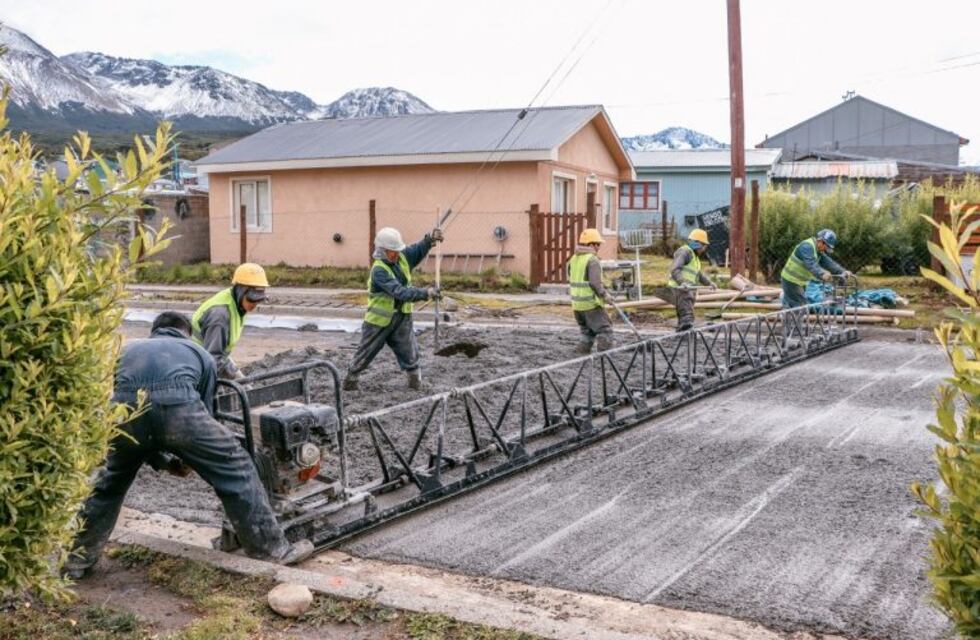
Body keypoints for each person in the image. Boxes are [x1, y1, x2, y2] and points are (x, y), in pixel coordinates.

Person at [64, 312, 312, 579]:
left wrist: (164, 462)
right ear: (186, 332)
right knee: (236, 467)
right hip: (180, 414)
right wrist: (192, 457)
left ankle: (77, 561)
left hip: (125, 417)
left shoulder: (128, 350)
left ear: (155, 331)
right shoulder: (198, 352)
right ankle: (271, 551)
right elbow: (204, 413)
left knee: (109, 484)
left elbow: (139, 414)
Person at [343, 226, 443, 391]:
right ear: (382, 251)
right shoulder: (379, 271)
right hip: (378, 322)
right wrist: (426, 293)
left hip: (401, 317)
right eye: (392, 252)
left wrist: (430, 240)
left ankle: (415, 382)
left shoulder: (401, 257)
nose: (396, 254)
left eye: (397, 251)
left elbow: (417, 250)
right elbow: (400, 292)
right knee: (366, 352)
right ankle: (351, 380)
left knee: (409, 351)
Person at [192, 263, 269, 380]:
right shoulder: (220, 316)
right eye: (252, 299)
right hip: (194, 364)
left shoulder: (237, 303)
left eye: (258, 300)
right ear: (240, 291)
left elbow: (219, 352)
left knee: (240, 386)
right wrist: (235, 376)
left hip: (207, 358)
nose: (254, 304)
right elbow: (213, 359)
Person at [654, 229, 717, 332]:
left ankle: (681, 334)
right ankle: (685, 332)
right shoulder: (685, 252)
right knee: (687, 317)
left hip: (687, 290)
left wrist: (709, 283)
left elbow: (698, 274)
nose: (704, 249)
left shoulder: (694, 257)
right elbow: (675, 269)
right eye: (704, 245)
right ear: (697, 243)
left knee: (684, 317)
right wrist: (682, 282)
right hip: (681, 290)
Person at [568, 228, 615, 354]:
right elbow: (595, 283)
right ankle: (604, 357)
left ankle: (580, 355)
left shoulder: (573, 259)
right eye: (597, 244)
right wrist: (605, 295)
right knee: (606, 330)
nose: (599, 247)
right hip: (591, 304)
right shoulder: (592, 260)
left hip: (577, 306)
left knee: (587, 332)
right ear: (590, 244)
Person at [780, 229, 852, 308]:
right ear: (821, 241)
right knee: (800, 306)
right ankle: (794, 320)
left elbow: (829, 263)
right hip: (791, 280)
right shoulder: (806, 247)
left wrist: (842, 271)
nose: (826, 249)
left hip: (799, 282)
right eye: (826, 246)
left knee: (791, 307)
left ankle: (788, 319)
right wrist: (822, 273)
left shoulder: (818, 251)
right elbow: (811, 264)